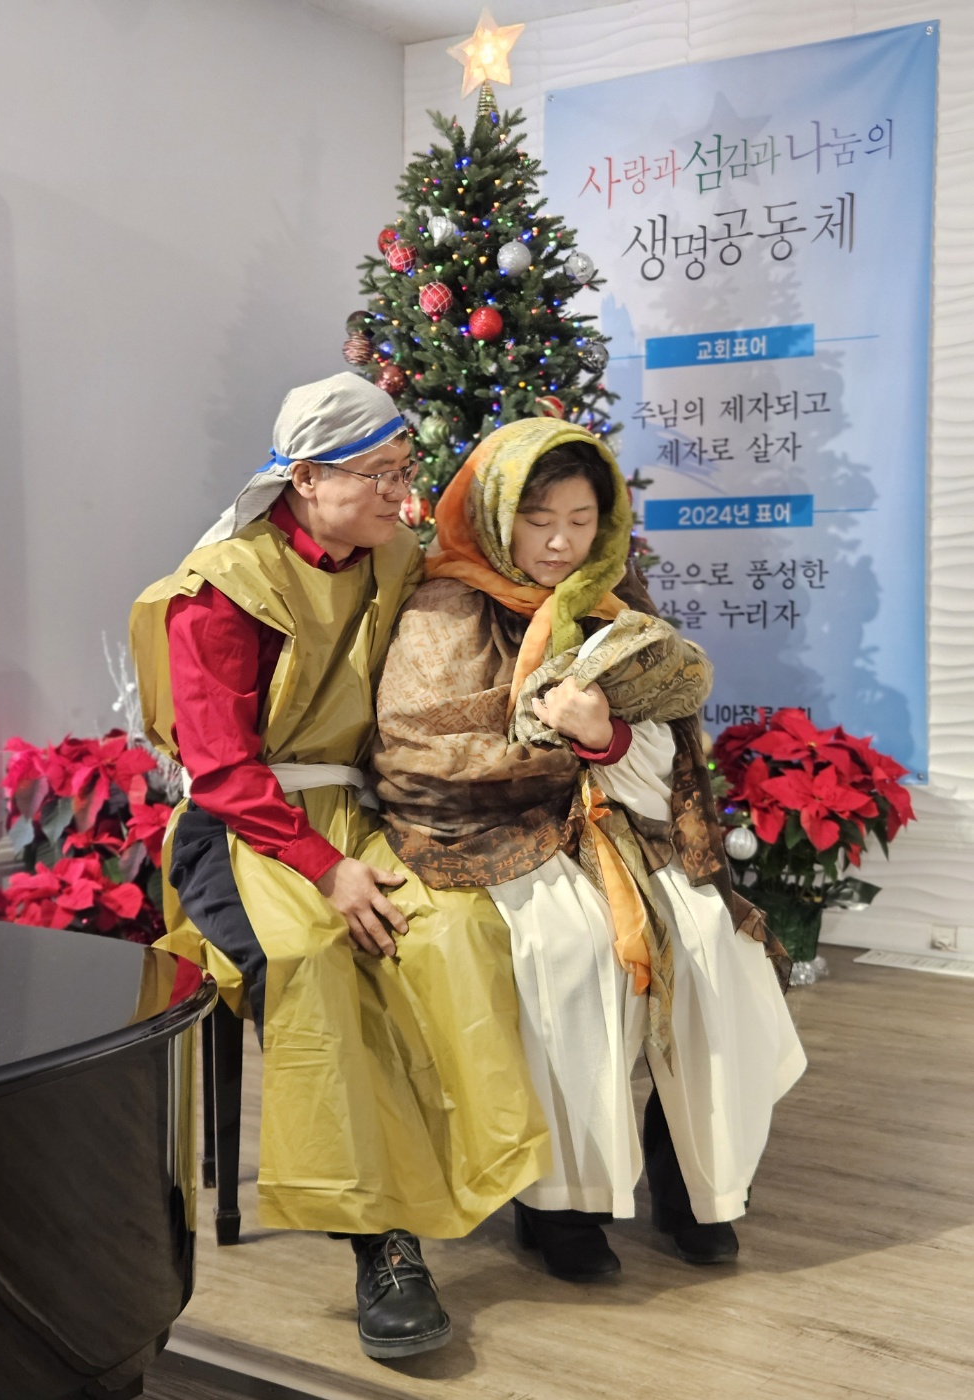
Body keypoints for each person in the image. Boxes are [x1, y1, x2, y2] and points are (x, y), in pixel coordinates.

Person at [129, 374, 550, 1359]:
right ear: (307, 477)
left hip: (364, 808)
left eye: (406, 471)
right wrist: (327, 870)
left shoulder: (395, 557)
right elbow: (222, 769)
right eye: (380, 475)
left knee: (459, 930)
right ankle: (382, 1244)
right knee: (318, 963)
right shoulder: (223, 589)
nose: (402, 495)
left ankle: (497, 1177)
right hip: (245, 830)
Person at [373, 416, 807, 1280]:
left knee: (715, 943)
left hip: (620, 818)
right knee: (571, 950)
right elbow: (417, 755)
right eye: (538, 521)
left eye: (580, 519)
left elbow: (667, 738)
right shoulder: (444, 606)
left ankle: (695, 1181)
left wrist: (603, 738)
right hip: (495, 830)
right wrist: (561, 749)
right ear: (498, 517)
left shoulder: (616, 596)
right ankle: (560, 1204)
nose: (560, 542)